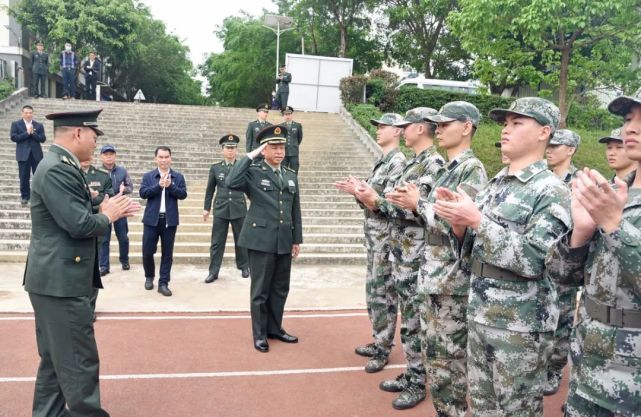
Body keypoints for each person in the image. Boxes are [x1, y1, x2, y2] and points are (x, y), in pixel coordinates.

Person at [432, 97, 571, 416]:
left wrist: (478, 221)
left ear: (543, 132)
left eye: (517, 123)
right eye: (505, 123)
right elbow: (469, 256)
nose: (506, 130)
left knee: (516, 411)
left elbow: (538, 259)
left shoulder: (551, 190)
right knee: (482, 408)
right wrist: (459, 226)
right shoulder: (495, 184)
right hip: (480, 314)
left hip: (520, 328)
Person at [24, 108, 139, 417]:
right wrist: (108, 215)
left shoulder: (61, 165)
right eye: (92, 134)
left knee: (54, 361)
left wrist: (99, 203)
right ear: (77, 133)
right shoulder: (58, 168)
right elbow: (79, 225)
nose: (94, 141)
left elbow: (73, 208)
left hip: (54, 280)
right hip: (61, 283)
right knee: (78, 362)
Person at [387, 101, 488, 417]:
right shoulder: (448, 169)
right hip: (432, 273)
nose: (439, 129)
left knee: (449, 361)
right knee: (436, 356)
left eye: (445, 124)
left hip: (451, 281)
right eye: (437, 124)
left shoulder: (472, 169)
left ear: (467, 127)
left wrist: (418, 204)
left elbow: (456, 223)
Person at [547, 90, 641, 417]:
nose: (630, 128)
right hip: (588, 361)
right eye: (629, 119)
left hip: (632, 384)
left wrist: (615, 225)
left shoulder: (613, 207)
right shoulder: (615, 194)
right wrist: (582, 233)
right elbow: (563, 277)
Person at [355, 108, 446, 410]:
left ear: (420, 129)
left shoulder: (432, 163)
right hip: (401, 252)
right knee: (409, 322)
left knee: (415, 322)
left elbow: (413, 208)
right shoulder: (416, 163)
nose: (402, 130)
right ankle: (412, 374)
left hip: (415, 255)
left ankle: (418, 381)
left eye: (406, 126)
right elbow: (397, 203)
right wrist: (375, 200)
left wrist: (376, 200)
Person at [334, 113, 406, 374]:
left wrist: (365, 195)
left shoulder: (398, 162)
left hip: (385, 240)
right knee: (374, 293)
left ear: (398, 131)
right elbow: (370, 199)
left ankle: (383, 347)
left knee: (383, 295)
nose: (378, 130)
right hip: (374, 239)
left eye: (384, 126)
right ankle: (379, 340)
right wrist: (358, 193)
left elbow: (386, 202)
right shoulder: (383, 161)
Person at [226, 125, 303, 353]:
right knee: (260, 290)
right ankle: (259, 334)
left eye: (282, 147)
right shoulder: (254, 171)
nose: (280, 151)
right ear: (264, 149)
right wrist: (250, 155)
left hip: (283, 239)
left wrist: (296, 239)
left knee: (280, 287)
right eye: (274, 147)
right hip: (260, 239)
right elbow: (231, 181)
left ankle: (275, 328)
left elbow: (294, 210)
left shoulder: (290, 175)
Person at [544, 128, 582, 396]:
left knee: (563, 318)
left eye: (556, 146)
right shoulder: (542, 178)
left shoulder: (579, 181)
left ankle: (555, 369)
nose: (550, 149)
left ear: (570, 150)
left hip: (566, 261)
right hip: (542, 260)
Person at [140, 146, 188, 297]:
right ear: (156, 159)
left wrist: (171, 186)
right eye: (161, 157)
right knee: (147, 251)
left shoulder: (178, 177)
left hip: (169, 221)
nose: (164, 160)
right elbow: (143, 193)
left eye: (166, 157)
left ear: (170, 158)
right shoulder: (149, 176)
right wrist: (158, 186)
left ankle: (163, 283)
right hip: (151, 220)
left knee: (167, 253)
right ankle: (149, 276)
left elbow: (183, 195)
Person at [203, 134, 250, 283]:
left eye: (233, 148)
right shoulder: (216, 168)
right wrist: (206, 208)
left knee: (241, 240)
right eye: (228, 148)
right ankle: (213, 271)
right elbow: (210, 190)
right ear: (222, 150)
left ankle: (244, 266)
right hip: (221, 208)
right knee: (217, 242)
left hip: (239, 208)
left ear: (237, 150)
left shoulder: (242, 167)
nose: (230, 150)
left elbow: (249, 187)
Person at [80, 157, 114, 319]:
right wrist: (94, 200)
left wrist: (93, 199)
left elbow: (109, 198)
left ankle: (90, 308)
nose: (86, 159)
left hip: (97, 224)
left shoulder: (102, 176)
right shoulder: (71, 174)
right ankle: (78, 305)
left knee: (93, 268)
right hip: (77, 225)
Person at [99, 144, 133, 275]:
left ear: (115, 156)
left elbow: (130, 187)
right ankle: (104, 266)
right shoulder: (97, 172)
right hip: (104, 209)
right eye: (106, 154)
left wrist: (124, 190)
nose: (109, 157)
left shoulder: (122, 171)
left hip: (120, 208)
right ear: (101, 156)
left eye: (111, 154)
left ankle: (124, 260)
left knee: (123, 237)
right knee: (104, 239)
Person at [10, 105, 46, 206]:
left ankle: (39, 196)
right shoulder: (16, 124)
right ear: (22, 113)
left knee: (38, 177)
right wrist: (27, 133)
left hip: (36, 155)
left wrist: (33, 133)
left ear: (32, 113)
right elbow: (14, 137)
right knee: (23, 176)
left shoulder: (38, 125)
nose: (28, 114)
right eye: (26, 113)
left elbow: (43, 139)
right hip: (23, 155)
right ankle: (25, 196)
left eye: (30, 113)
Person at [281, 106, 303, 173]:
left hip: (294, 152)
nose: (288, 116)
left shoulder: (297, 125)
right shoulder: (280, 126)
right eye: (286, 114)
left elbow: (299, 138)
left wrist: (294, 145)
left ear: (292, 115)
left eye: (289, 114)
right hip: (283, 152)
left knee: (294, 171)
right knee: (283, 171)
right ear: (283, 116)